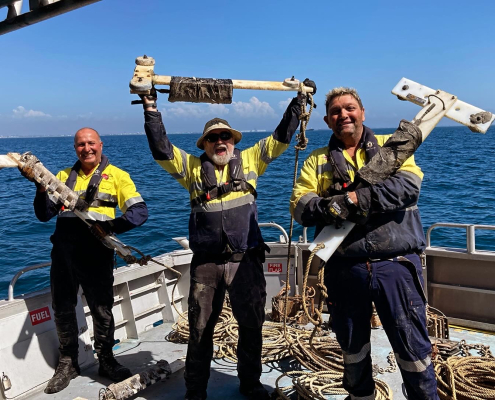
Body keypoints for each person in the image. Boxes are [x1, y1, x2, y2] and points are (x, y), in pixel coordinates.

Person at [139, 80, 315, 400]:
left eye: (225, 136)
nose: (220, 142)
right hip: (206, 265)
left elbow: (281, 138)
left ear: (232, 141)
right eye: (213, 138)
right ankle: (196, 392)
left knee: (250, 326)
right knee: (200, 330)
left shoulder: (251, 161)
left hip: (245, 261)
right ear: (205, 144)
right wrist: (151, 107)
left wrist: (297, 102)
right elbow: (161, 148)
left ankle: (249, 383)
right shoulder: (192, 170)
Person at [290, 88, 439, 400]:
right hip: (345, 269)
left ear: (363, 112)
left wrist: (354, 198)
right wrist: (331, 207)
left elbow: (407, 189)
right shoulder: (316, 161)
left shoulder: (391, 148)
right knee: (352, 348)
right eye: (335, 111)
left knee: (412, 348)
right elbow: (300, 206)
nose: (343, 115)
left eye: (350, 108)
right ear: (327, 120)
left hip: (396, 267)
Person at [23, 128, 148, 394]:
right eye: (81, 144)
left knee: (102, 308)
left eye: (91, 143)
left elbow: (139, 212)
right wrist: (39, 185)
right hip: (64, 253)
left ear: (100, 145)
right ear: (75, 148)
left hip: (97, 254)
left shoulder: (117, 176)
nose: (86, 148)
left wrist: (110, 227)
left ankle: (106, 359)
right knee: (62, 307)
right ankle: (68, 362)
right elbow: (44, 215)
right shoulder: (61, 177)